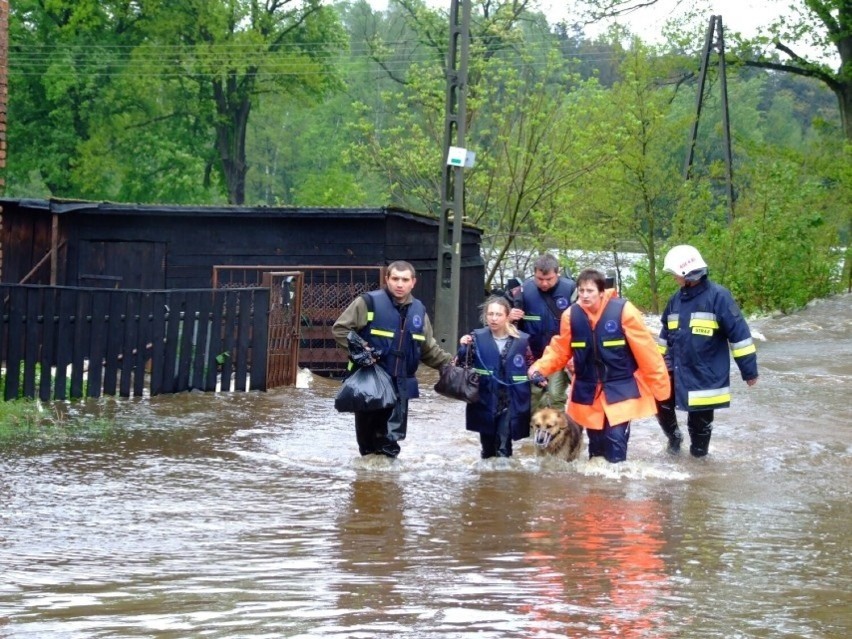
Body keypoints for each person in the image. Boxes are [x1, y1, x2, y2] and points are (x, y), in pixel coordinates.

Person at [528, 269, 670, 463]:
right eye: (581, 291)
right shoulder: (571, 315)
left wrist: (661, 391)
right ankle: (596, 492)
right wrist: (539, 369)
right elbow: (560, 349)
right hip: (587, 391)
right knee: (596, 450)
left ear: (601, 292)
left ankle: (617, 486)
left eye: (590, 291)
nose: (584, 295)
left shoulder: (624, 311)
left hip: (621, 389)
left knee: (615, 441)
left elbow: (648, 353)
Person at [332, 260, 453, 458]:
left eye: (405, 280)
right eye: (395, 278)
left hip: (400, 385)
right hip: (369, 383)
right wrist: (361, 351)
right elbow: (340, 329)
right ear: (387, 279)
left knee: (389, 445)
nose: (399, 284)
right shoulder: (367, 303)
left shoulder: (419, 312)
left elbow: (428, 348)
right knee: (368, 445)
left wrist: (451, 364)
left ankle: (386, 483)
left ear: (413, 282)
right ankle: (369, 484)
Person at [655, 245, 758, 457]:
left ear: (687, 273)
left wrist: (749, 371)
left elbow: (739, 335)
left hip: (704, 373)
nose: (674, 278)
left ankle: (698, 463)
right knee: (660, 401)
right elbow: (664, 335)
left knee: (699, 426)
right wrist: (655, 364)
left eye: (675, 274)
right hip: (674, 366)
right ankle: (674, 438)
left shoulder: (719, 297)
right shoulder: (675, 300)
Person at [459, 296, 535, 459]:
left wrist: (539, 377)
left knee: (503, 448)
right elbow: (458, 364)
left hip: (511, 399)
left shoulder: (521, 340)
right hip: (484, 399)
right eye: (490, 314)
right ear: (485, 316)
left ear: (507, 316)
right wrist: (463, 348)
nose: (494, 318)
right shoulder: (476, 338)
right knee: (487, 450)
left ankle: (503, 479)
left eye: (498, 314)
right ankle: (487, 481)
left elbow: (530, 365)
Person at [508, 254, 577, 412]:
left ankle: (558, 433)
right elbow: (497, 318)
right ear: (534, 274)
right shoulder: (522, 291)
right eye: (540, 279)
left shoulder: (571, 289)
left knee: (554, 396)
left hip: (559, 355)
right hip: (532, 355)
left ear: (557, 273)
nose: (544, 283)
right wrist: (509, 317)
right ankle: (534, 433)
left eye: (549, 279)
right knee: (533, 398)